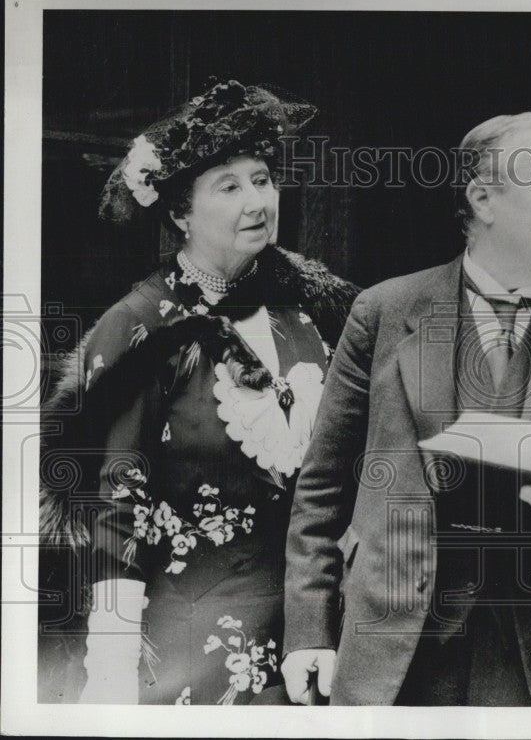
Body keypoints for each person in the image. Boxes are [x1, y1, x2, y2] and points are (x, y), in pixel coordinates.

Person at [282, 112, 531, 705]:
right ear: (484, 199)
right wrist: (308, 631)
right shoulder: (384, 312)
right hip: (400, 645)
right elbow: (323, 488)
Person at [39, 79, 360, 705]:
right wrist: (110, 672)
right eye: (229, 186)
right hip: (189, 648)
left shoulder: (311, 312)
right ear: (181, 215)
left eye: (262, 179)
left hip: (312, 640)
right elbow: (116, 512)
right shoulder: (142, 326)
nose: (256, 201)